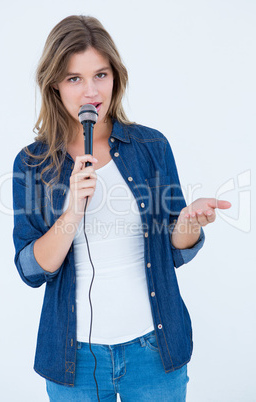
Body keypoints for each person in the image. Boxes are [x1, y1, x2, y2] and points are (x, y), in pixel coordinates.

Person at [12, 15, 231, 402]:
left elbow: (176, 250)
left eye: (101, 75)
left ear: (116, 77)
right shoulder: (32, 165)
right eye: (74, 78)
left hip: (154, 352)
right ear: (54, 85)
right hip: (73, 362)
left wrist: (190, 222)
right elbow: (31, 269)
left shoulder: (151, 147)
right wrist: (71, 214)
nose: (91, 91)